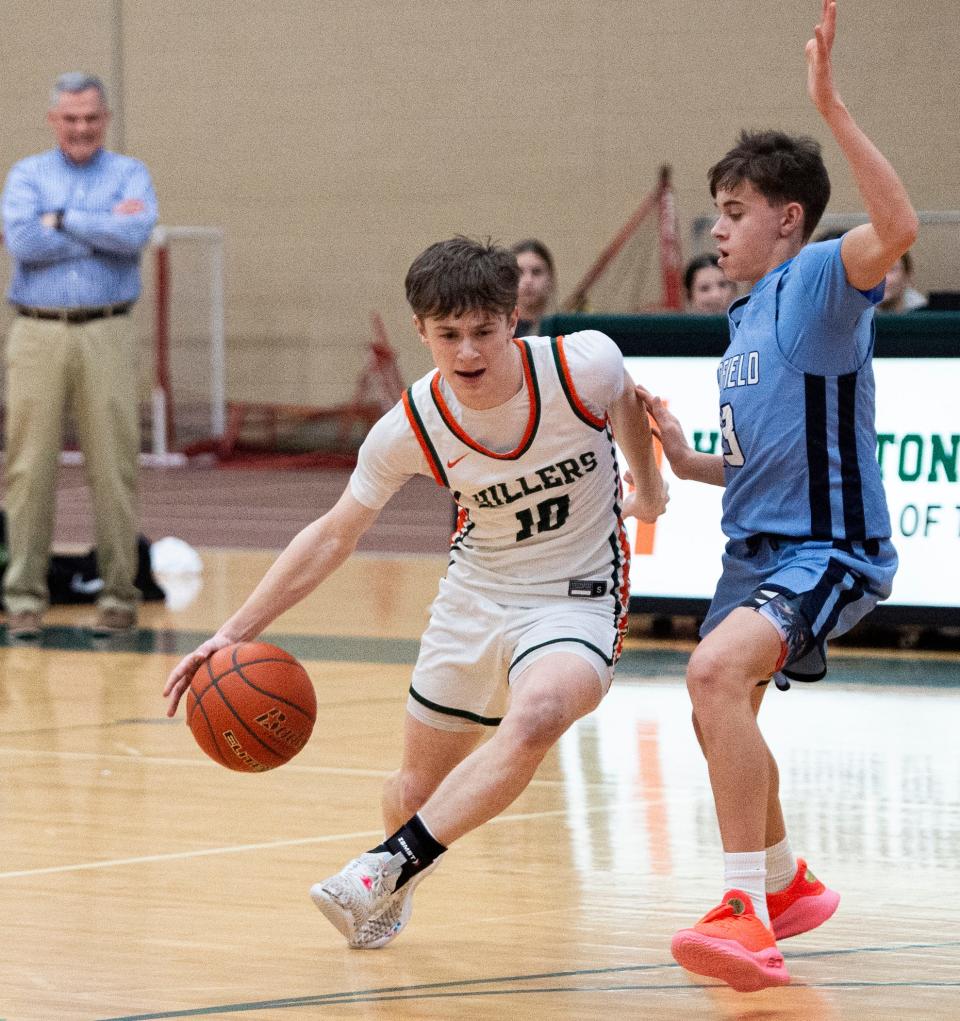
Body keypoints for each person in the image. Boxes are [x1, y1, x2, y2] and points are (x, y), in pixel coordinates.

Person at [164, 236, 667, 950]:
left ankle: (385, 868)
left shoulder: (581, 365)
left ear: (513, 318)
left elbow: (625, 406)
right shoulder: (411, 426)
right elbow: (334, 535)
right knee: (413, 792)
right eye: (448, 335)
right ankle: (396, 869)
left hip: (575, 592)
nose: (467, 352)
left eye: (482, 332)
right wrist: (230, 631)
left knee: (539, 713)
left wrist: (646, 490)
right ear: (420, 332)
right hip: (476, 593)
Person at [638, 1, 917, 992]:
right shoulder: (746, 320)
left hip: (829, 551)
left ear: (786, 218)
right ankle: (788, 880)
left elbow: (900, 226)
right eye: (716, 213)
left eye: (734, 211)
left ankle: (745, 912)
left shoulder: (818, 282)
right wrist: (685, 459)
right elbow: (761, 459)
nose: (717, 230)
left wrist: (831, 106)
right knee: (722, 708)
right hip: (752, 552)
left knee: (713, 679)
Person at [1, 73, 157, 639]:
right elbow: (21, 241)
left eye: (90, 118)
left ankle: (119, 596)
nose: (80, 129)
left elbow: (135, 232)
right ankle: (22, 598)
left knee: (114, 467)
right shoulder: (26, 175)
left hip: (107, 331)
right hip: (37, 332)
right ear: (53, 120)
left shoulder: (129, 173)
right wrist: (101, 227)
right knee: (28, 467)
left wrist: (62, 219)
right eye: (70, 118)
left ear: (105, 118)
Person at [511, 238, 556, 336]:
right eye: (519, 272)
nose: (528, 280)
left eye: (536, 272)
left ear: (550, 279)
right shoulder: (499, 334)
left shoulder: (565, 334)